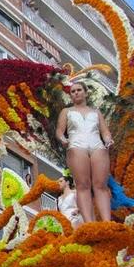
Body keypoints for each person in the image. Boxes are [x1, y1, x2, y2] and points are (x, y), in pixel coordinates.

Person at [56, 82, 114, 222]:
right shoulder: (66, 111)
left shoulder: (96, 112)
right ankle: (89, 223)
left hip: (97, 145)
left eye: (79, 90)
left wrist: (108, 140)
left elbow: (105, 131)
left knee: (100, 185)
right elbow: (59, 131)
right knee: (83, 185)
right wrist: (63, 139)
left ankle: (107, 222)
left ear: (86, 92)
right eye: (73, 91)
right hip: (76, 145)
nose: (76, 93)